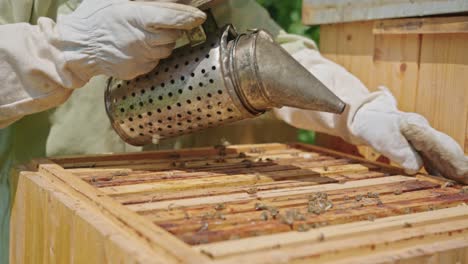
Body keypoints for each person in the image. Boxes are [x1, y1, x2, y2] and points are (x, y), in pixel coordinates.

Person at [0, 0, 466, 262]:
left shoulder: (218, 4)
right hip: (57, 227)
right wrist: (64, 49)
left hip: (189, 222)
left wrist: (359, 111)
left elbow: (271, 54)